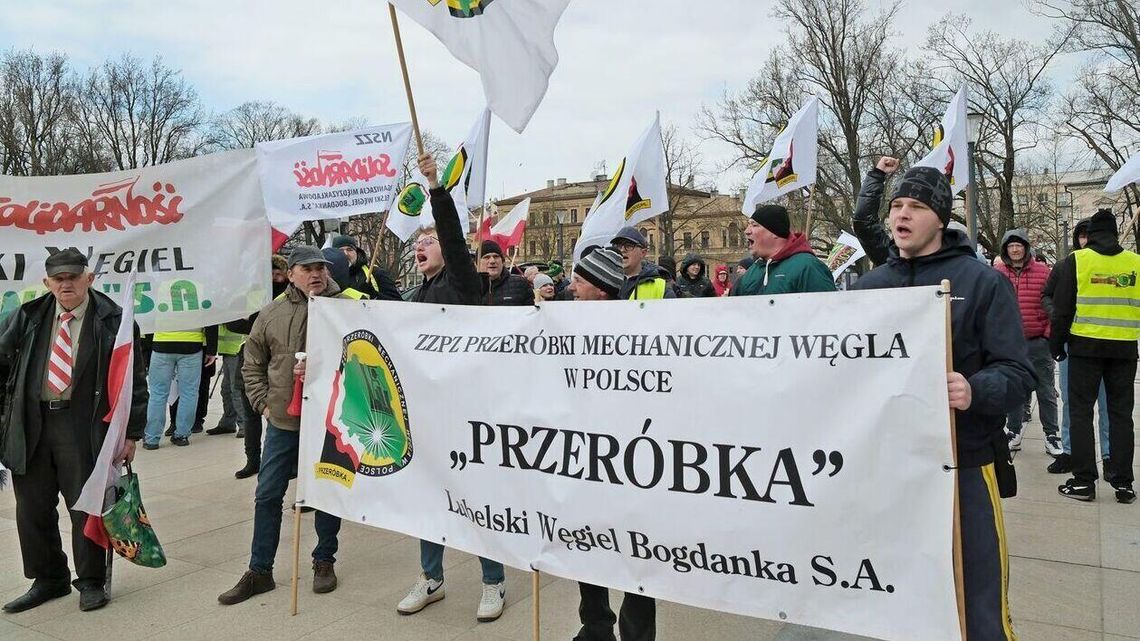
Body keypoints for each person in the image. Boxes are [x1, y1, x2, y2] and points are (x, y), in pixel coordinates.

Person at [852, 165, 1034, 640]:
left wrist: (974, 390)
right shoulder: (869, 289)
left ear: (940, 218)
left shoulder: (980, 283)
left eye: (915, 206)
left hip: (965, 466)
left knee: (978, 600)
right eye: (895, 206)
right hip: (889, 469)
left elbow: (1018, 373)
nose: (901, 216)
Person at [0, 248, 148, 613]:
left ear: (89, 278)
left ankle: (92, 581)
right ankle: (49, 578)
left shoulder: (114, 319)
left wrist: (130, 433)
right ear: (47, 282)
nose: (66, 284)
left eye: (73, 277)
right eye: (59, 278)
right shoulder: (28, 315)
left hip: (82, 425)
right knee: (31, 508)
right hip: (31, 423)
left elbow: (135, 381)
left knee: (87, 506)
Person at [400, 152, 508, 622]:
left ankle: (493, 582)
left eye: (429, 240)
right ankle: (432, 577)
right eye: (416, 242)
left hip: (465, 410)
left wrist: (436, 190)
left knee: (473, 499)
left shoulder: (460, 282)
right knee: (428, 497)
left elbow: (452, 239)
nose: (421, 246)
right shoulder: (413, 295)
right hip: (426, 413)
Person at [218, 246, 349, 605]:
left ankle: (324, 560)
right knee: (268, 494)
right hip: (283, 422)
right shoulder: (271, 313)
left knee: (326, 493)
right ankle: (260, 570)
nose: (316, 274)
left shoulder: (348, 309)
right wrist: (264, 404)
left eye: (320, 267)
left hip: (329, 423)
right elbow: (252, 363)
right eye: (306, 268)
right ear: (290, 274)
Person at [567, 246, 657, 640]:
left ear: (602, 291)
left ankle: (636, 634)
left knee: (635, 556)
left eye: (579, 282)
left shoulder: (636, 330)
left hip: (628, 462)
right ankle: (596, 626)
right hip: (583, 459)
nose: (570, 288)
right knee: (586, 544)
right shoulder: (564, 326)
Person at [1049, 209, 1138, 504]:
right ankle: (1123, 483)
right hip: (1124, 350)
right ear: (1114, 232)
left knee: (1081, 413)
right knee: (1121, 416)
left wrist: (1056, 345)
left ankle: (1084, 481)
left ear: (1092, 233)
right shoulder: (1135, 263)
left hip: (1085, 348)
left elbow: (1062, 309)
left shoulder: (1078, 260)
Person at [1042, 217, 1111, 474]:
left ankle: (1109, 455)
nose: (1086, 240)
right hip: (1073, 345)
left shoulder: (1111, 266)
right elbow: (1047, 295)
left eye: (1089, 235)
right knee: (1072, 403)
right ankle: (1070, 452)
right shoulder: (1065, 266)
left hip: (1106, 345)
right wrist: (1057, 314)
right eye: (1081, 236)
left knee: (1107, 405)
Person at [993, 229, 1061, 456]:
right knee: (1014, 390)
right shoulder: (997, 272)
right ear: (1005, 249)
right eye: (1010, 246)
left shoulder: (1043, 272)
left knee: (1046, 391)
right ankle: (1013, 432)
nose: (1015, 249)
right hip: (1010, 344)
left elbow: (1053, 303)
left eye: (1019, 245)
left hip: (1038, 343)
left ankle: (1051, 435)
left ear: (1026, 248)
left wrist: (1048, 334)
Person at [731, 204, 835, 296]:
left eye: (754, 225)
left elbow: (826, 312)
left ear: (775, 232)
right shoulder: (751, 272)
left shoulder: (808, 267)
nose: (746, 231)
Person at [143, 325, 217, 449]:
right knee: (189, 393)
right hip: (192, 345)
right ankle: (182, 435)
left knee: (158, 394)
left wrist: (147, 348)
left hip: (162, 343)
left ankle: (152, 438)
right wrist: (211, 350)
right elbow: (211, 320)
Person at [330, 234, 402, 300]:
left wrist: (374, 295)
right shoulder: (328, 277)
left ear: (357, 253)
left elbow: (398, 304)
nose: (345, 254)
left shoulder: (376, 273)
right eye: (340, 250)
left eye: (350, 249)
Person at [205, 323, 247, 436]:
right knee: (226, 390)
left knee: (236, 390)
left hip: (237, 350)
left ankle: (244, 425)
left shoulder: (237, 307)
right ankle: (228, 422)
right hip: (228, 350)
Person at [611, 227, 675, 300]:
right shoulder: (605, 283)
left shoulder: (662, 287)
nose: (622, 250)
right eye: (618, 246)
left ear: (643, 253)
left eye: (628, 246)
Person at [479, 240, 532, 306]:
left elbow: (531, 314)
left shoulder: (520, 284)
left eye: (496, 256)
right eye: (486, 257)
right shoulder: (469, 288)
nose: (492, 261)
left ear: (502, 261)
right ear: (477, 263)